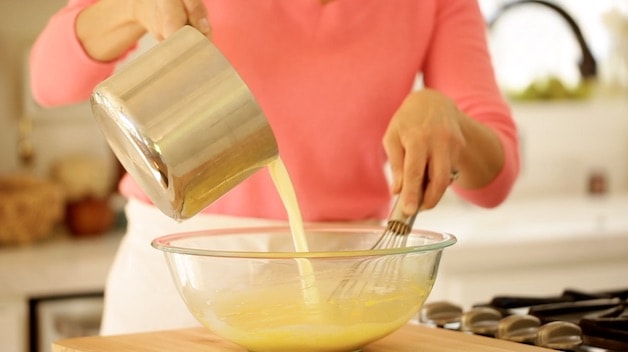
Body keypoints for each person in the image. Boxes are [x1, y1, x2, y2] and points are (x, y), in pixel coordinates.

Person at [30, 0, 520, 335]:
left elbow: (495, 179)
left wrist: (448, 117)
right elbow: (49, 80)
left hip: (347, 285)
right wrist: (130, 7)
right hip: (178, 277)